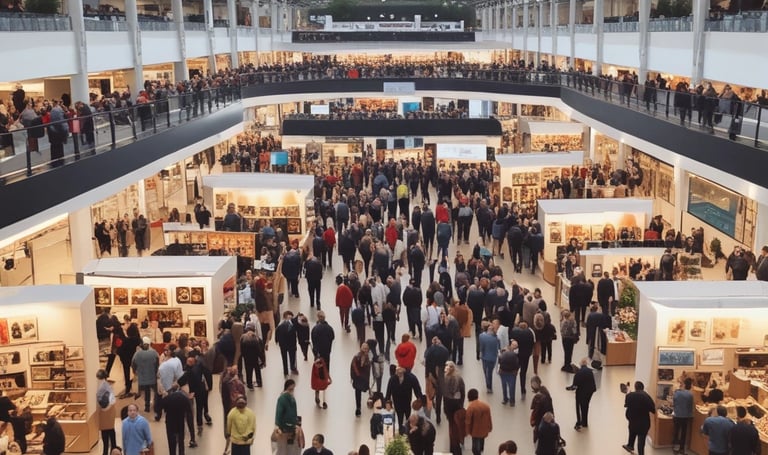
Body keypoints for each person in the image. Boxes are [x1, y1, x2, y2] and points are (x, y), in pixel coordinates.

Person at [385, 366, 424, 434]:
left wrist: (419, 398)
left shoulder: (411, 378)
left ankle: (408, 431)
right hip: (397, 402)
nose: (399, 372)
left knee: (408, 416)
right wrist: (387, 402)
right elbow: (388, 392)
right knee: (400, 417)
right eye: (397, 370)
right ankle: (401, 429)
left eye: (400, 369)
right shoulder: (392, 379)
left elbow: (417, 388)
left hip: (407, 401)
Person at [622, 381, 656, 455]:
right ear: (643, 388)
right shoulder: (647, 396)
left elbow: (626, 405)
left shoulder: (630, 396)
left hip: (632, 420)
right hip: (644, 422)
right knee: (641, 439)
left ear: (635, 387)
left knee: (632, 432)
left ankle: (630, 446)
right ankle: (641, 453)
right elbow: (653, 410)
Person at [161, 384, 193, 455]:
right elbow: (189, 411)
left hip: (170, 422)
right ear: (179, 389)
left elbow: (159, 407)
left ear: (171, 390)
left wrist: (163, 398)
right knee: (181, 440)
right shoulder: (184, 398)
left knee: (171, 441)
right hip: (180, 421)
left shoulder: (167, 398)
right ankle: (181, 453)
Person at [566, 358, 596, 430]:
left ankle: (579, 422)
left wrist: (568, 388)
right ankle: (585, 422)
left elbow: (574, 386)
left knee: (579, 406)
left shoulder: (578, 373)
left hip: (581, 392)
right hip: (590, 391)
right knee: (585, 405)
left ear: (580, 365)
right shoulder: (590, 371)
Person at [131, 336, 159, 413]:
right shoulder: (154, 352)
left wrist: (135, 371)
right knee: (156, 391)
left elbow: (133, 364)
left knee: (147, 392)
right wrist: (156, 371)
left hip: (143, 377)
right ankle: (156, 406)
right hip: (152, 376)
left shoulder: (137, 354)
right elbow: (157, 363)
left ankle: (147, 407)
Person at [274, 379, 300, 455]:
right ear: (286, 387)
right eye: (290, 389)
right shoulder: (282, 399)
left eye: (293, 389)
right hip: (283, 428)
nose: (292, 391)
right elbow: (279, 413)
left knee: (290, 447)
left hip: (291, 428)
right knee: (282, 447)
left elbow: (294, 412)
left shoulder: (292, 398)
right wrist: (277, 426)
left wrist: (296, 424)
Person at [465, 388, 493, 455]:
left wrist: (467, 431)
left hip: (475, 431)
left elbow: (468, 422)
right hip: (484, 429)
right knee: (481, 441)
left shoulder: (470, 408)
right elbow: (489, 418)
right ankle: (481, 449)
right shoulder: (486, 406)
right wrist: (490, 427)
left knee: (475, 448)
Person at [96, 369, 117, 455]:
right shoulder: (108, 384)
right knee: (111, 430)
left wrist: (103, 409)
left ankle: (105, 451)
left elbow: (100, 400)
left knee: (105, 432)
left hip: (104, 411)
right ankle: (113, 448)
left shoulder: (101, 386)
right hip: (111, 410)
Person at [672, 377, 694, 455]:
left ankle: (675, 447)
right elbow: (690, 406)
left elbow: (673, 403)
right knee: (684, 433)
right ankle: (682, 449)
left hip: (677, 415)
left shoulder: (677, 393)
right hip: (685, 416)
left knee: (676, 431)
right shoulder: (690, 395)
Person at [350, 342, 372, 417]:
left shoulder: (368, 357)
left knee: (359, 391)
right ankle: (358, 408)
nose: (365, 350)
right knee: (358, 392)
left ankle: (358, 407)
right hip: (358, 377)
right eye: (364, 348)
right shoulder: (357, 357)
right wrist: (356, 375)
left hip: (363, 378)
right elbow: (353, 365)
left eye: (366, 348)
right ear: (361, 348)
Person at [276, 311, 299, 376]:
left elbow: (277, 334)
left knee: (285, 357)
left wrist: (277, 341)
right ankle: (291, 368)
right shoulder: (289, 325)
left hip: (284, 345)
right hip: (290, 344)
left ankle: (286, 370)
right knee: (291, 357)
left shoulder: (281, 325)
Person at [478, 323, 499, 393]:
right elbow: (498, 348)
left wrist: (480, 353)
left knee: (485, 371)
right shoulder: (496, 338)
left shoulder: (481, 336)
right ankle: (489, 387)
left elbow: (481, 347)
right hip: (493, 358)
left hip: (484, 357)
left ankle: (488, 386)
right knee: (490, 372)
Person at [498, 340, 520, 406]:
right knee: (512, 387)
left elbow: (499, 361)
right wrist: (516, 370)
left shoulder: (503, 353)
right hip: (512, 373)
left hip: (503, 373)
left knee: (504, 386)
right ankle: (512, 401)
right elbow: (517, 364)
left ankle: (505, 399)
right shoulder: (515, 355)